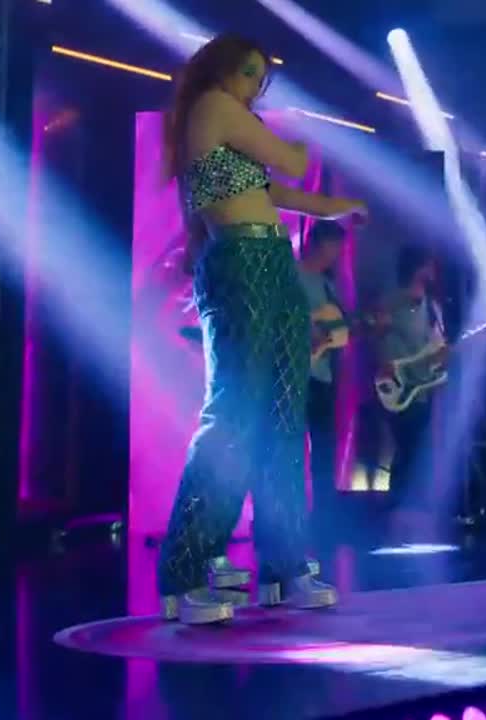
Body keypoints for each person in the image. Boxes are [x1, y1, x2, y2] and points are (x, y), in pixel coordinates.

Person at [156, 33, 366, 623]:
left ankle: (284, 567)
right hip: (241, 262)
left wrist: (341, 209)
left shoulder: (231, 135)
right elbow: (293, 162)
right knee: (234, 415)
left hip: (272, 261)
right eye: (250, 72)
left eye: (261, 78)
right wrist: (312, 133)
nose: (255, 86)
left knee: (283, 419)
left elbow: (284, 192)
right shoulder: (213, 108)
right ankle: (184, 571)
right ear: (222, 68)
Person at [375, 245, 445, 515]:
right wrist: (385, 362)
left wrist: (441, 358)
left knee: (418, 449)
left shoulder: (432, 306)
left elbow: (434, 346)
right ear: (418, 267)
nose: (434, 271)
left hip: (422, 387)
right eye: (430, 265)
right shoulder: (392, 300)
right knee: (407, 448)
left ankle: (412, 509)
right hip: (397, 386)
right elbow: (377, 336)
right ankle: (399, 509)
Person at [298, 220, 347, 526]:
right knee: (288, 449)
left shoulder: (329, 287)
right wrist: (307, 331)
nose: (338, 254)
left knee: (324, 452)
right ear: (322, 244)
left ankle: (324, 521)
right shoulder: (289, 274)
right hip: (292, 374)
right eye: (336, 246)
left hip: (322, 377)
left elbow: (338, 333)